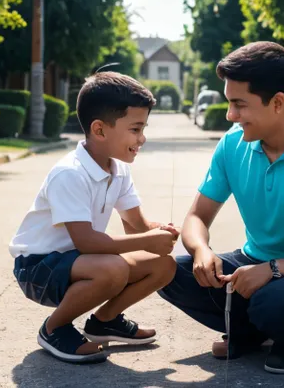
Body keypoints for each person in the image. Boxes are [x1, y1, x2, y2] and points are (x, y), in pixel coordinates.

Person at [158, 41, 284, 374]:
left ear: (278, 102)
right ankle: (254, 331)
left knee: (279, 302)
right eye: (229, 104)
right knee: (163, 271)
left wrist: (273, 270)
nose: (230, 115)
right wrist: (201, 251)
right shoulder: (232, 144)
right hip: (251, 263)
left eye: (239, 104)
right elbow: (197, 217)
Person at [9, 71, 179, 364]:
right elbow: (87, 242)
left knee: (163, 265)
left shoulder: (119, 169)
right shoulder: (70, 173)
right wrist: (147, 239)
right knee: (112, 269)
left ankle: (104, 322)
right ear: (99, 130)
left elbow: (135, 225)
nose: (142, 138)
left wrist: (158, 231)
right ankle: (53, 328)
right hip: (37, 268)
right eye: (135, 129)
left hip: (80, 261)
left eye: (143, 128)